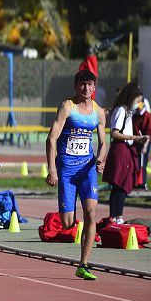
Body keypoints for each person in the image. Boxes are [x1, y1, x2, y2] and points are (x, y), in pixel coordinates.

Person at [46, 69, 108, 281]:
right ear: (76, 86)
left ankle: (83, 264)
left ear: (94, 87)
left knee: (91, 213)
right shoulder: (67, 107)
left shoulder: (99, 112)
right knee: (67, 224)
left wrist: (101, 159)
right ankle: (65, 216)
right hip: (66, 171)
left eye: (89, 84)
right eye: (82, 84)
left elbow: (102, 143)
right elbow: (51, 139)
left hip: (87, 170)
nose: (86, 88)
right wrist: (52, 169)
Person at [102, 82, 147, 224]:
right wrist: (134, 137)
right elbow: (115, 133)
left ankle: (116, 217)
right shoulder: (121, 110)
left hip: (126, 148)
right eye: (137, 100)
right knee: (120, 184)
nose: (138, 104)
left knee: (120, 185)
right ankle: (116, 217)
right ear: (130, 97)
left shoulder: (127, 111)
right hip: (120, 149)